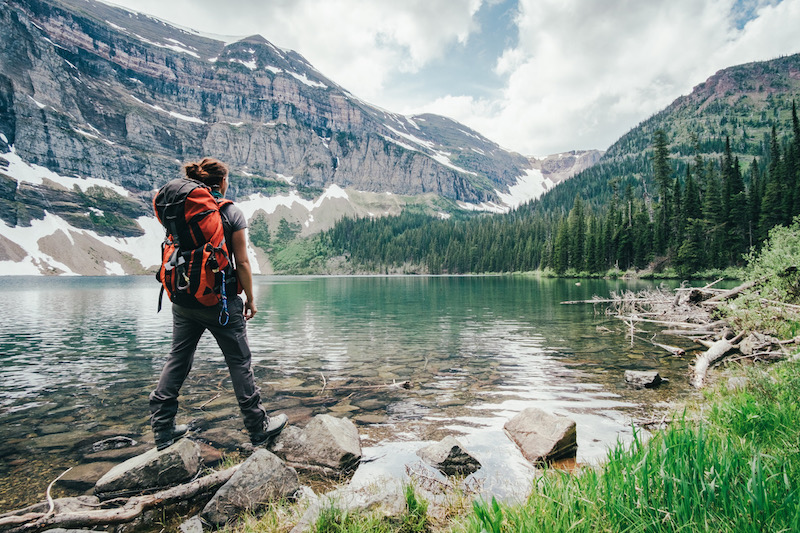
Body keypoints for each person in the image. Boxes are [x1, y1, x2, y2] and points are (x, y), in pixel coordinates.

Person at [149, 157, 287, 450]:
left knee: (178, 358)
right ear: (222, 182)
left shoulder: (181, 210)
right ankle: (258, 428)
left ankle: (162, 429)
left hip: (183, 299)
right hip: (220, 302)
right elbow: (243, 262)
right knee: (239, 362)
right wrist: (250, 298)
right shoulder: (229, 212)